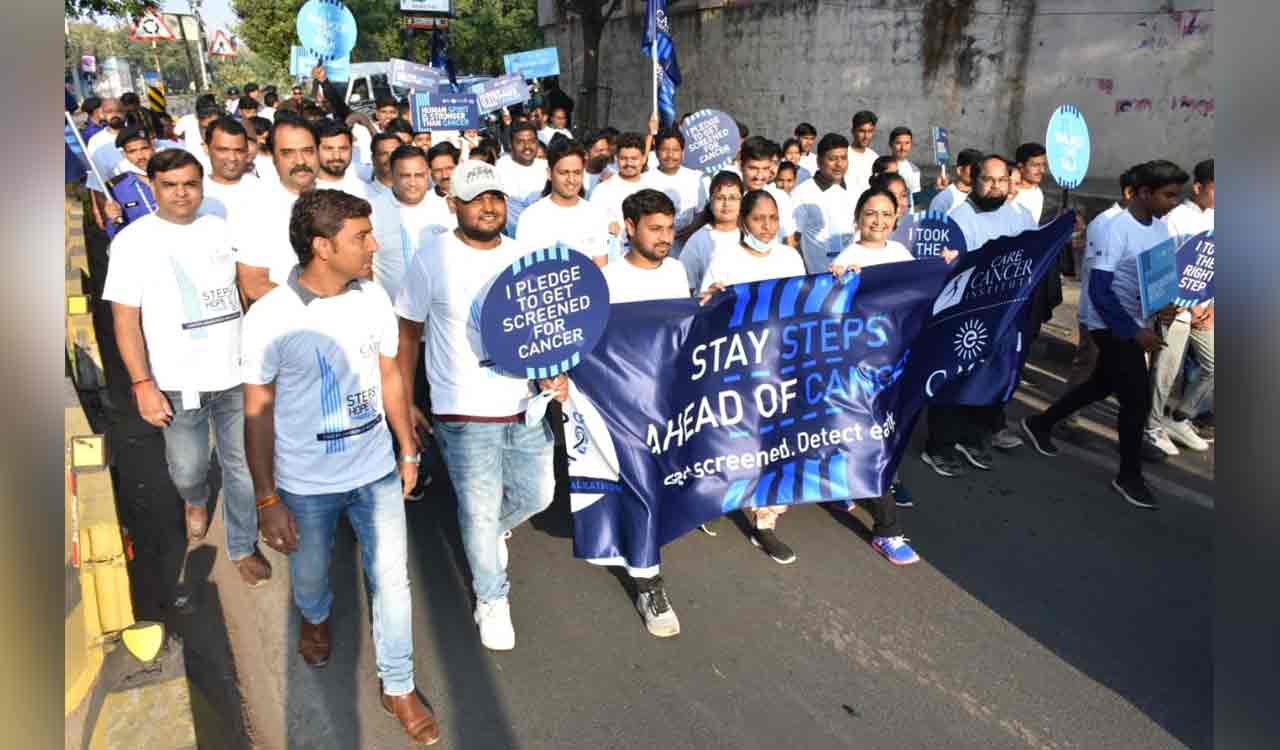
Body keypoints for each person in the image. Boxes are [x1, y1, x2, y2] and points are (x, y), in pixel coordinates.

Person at [241, 190, 440, 745]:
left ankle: (397, 684)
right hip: (305, 487)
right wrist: (267, 499)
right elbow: (256, 413)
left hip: (375, 474)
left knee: (392, 582)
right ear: (322, 247)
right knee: (309, 577)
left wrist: (406, 447)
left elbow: (392, 376)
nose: (374, 245)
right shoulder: (271, 318)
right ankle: (315, 615)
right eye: (362, 237)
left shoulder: (372, 296)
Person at [395, 160, 562, 651]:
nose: (489, 207)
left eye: (496, 197)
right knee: (479, 508)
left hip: (525, 404)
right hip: (463, 413)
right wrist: (404, 402)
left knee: (538, 495)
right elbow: (407, 332)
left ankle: (487, 537)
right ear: (453, 205)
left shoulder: (524, 255)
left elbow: (543, 327)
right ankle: (492, 597)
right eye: (476, 198)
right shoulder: (433, 257)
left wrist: (553, 370)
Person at [102, 148, 268, 587]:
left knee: (244, 465)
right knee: (189, 470)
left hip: (236, 375)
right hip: (177, 385)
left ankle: (242, 545)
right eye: (170, 185)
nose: (181, 193)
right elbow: (125, 321)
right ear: (153, 186)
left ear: (201, 186)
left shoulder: (220, 227)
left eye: (190, 184)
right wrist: (142, 384)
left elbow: (246, 288)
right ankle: (195, 500)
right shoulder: (132, 242)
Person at [1022, 161, 1188, 510]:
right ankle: (1128, 475)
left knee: (1101, 385)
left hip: (1138, 323)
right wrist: (1133, 331)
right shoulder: (1113, 228)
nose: (1174, 202)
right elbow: (1099, 290)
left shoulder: (1160, 230)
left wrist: (1164, 308)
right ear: (1144, 192)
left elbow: (1156, 282)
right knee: (1137, 399)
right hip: (1109, 324)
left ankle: (1040, 423)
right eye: (1168, 195)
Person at [825, 186, 955, 565]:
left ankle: (842, 482)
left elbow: (917, 294)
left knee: (874, 435)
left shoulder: (900, 254)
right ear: (857, 218)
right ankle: (887, 529)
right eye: (870, 213)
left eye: (886, 214)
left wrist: (941, 267)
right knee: (870, 441)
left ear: (896, 219)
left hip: (893, 362)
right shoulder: (848, 257)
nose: (878, 221)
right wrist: (835, 281)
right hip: (856, 366)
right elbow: (832, 311)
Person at [598, 189, 691, 636]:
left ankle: (640, 555)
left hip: (669, 402)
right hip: (622, 405)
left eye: (670, 228)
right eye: (655, 228)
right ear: (629, 227)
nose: (665, 237)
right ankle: (649, 582)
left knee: (658, 489)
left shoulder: (676, 271)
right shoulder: (609, 281)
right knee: (642, 491)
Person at [700, 189, 806, 563]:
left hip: (780, 366)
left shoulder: (790, 257)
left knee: (774, 441)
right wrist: (712, 298)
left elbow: (806, 306)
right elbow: (704, 309)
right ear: (744, 220)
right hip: (736, 368)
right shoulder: (725, 258)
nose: (766, 227)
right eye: (759, 218)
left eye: (773, 218)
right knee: (735, 440)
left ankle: (764, 522)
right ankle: (713, 496)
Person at [921, 155, 1035, 476]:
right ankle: (939, 446)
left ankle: (971, 438)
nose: (996, 187)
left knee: (989, 380)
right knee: (954, 381)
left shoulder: (1016, 216)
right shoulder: (957, 219)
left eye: (1002, 180)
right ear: (974, 180)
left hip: (1005, 316)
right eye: (989, 180)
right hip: (965, 316)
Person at [1144, 157, 1215, 455]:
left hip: (1203, 309)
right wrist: (1187, 305)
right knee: (1165, 372)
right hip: (1175, 310)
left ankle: (1180, 417)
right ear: (1198, 187)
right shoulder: (1175, 219)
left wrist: (1210, 304)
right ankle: (1151, 427)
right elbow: (1163, 266)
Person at [236, 114, 320, 302]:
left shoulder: (342, 200)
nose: (300, 161)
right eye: (288, 153)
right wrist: (317, 307)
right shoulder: (255, 209)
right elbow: (254, 283)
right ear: (273, 158)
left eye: (308, 151)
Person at [1069, 168, 1136, 391]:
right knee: (1087, 366)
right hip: (1098, 313)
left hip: (1124, 313)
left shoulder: (1134, 223)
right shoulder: (1106, 223)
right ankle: (1059, 416)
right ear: (1129, 193)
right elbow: (1098, 273)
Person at [371, 144, 458, 302]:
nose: (412, 183)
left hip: (439, 309)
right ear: (392, 175)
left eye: (419, 175)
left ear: (428, 174)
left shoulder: (446, 209)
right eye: (405, 176)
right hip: (395, 314)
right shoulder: (372, 212)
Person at [515, 140, 611, 265]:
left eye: (577, 172)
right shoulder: (530, 217)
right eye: (564, 173)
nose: (571, 180)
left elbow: (601, 268)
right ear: (549, 174)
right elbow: (527, 272)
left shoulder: (595, 214)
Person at [791, 132, 855, 274]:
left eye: (843, 158)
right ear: (819, 161)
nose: (839, 164)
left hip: (851, 275)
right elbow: (792, 241)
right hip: (817, 279)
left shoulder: (855, 188)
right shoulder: (802, 193)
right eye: (832, 159)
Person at [641, 127, 706, 256]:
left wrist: (690, 230)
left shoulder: (695, 178)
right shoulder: (645, 180)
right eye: (664, 150)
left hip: (686, 247)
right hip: (653, 250)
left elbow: (701, 213)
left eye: (675, 150)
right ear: (657, 152)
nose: (670, 155)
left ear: (683, 152)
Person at [679, 171, 743, 293]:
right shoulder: (698, 239)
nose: (726, 204)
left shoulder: (750, 235)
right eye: (720, 198)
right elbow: (686, 286)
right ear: (710, 201)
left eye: (733, 198)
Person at [588, 132, 649, 255]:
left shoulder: (654, 187)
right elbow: (590, 226)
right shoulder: (602, 190)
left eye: (634, 159)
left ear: (643, 159)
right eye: (623, 159)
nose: (628, 164)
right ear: (616, 159)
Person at [736, 137, 798, 250]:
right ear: (741, 165)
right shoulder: (730, 197)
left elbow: (789, 239)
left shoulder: (780, 198)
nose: (759, 176)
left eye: (765, 169)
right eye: (753, 168)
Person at [95, 127, 156, 238]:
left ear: (153, 147)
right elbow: (114, 233)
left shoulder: (174, 176)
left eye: (144, 148)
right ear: (124, 155)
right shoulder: (116, 188)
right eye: (132, 151)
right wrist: (115, 219)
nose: (140, 156)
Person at [200, 116, 261, 223]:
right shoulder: (191, 194)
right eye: (223, 150)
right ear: (206, 148)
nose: (232, 158)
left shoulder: (266, 192)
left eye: (239, 150)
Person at [494, 121, 548, 237]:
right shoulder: (501, 167)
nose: (527, 147)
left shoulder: (547, 167)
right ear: (511, 144)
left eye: (531, 141)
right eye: (520, 142)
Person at [313, 119, 368, 199]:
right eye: (329, 148)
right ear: (314, 149)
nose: (337, 156)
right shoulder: (301, 192)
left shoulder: (367, 192)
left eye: (343, 148)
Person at [928, 148, 983, 216]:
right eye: (973, 169)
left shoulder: (982, 196)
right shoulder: (944, 199)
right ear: (959, 170)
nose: (977, 172)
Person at [1013, 142, 1048, 225]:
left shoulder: (1038, 194)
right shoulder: (1007, 192)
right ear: (1021, 167)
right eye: (1036, 165)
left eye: (1044, 165)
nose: (1042, 170)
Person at [847, 110, 879, 195]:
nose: (866, 136)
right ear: (853, 131)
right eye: (862, 131)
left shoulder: (874, 157)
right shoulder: (843, 156)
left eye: (870, 131)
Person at [365, 132, 403, 198]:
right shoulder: (361, 194)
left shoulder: (417, 193)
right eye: (383, 154)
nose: (390, 157)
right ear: (373, 158)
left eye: (395, 153)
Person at [888, 126, 922, 197]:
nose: (903, 148)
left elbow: (915, 198)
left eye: (907, 143)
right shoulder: (882, 166)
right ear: (890, 144)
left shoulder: (914, 170)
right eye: (898, 143)